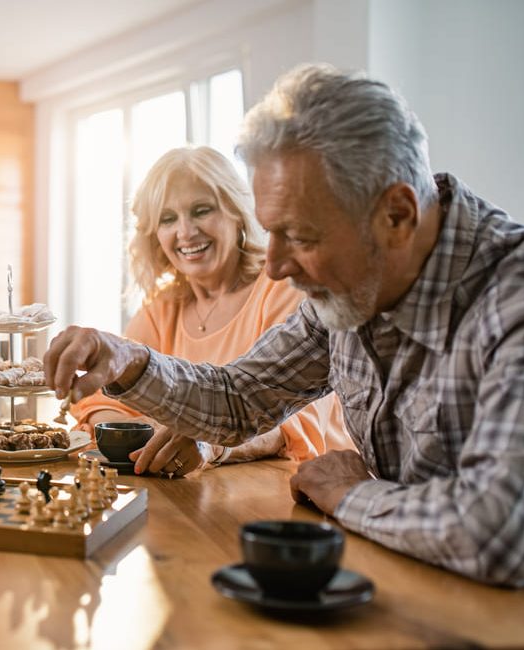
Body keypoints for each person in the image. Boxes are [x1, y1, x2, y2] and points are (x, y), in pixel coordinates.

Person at [44, 63, 524, 588]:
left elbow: (498, 534)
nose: (274, 267)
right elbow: (239, 399)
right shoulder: (347, 293)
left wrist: (351, 493)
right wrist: (130, 360)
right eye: (271, 232)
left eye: (300, 236)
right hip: (404, 589)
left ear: (396, 216)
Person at [72, 146, 351, 477]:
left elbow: (293, 419)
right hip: (198, 489)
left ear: (237, 213)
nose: (186, 232)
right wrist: (131, 434)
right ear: (154, 234)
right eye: (168, 218)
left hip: (297, 486)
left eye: (201, 210)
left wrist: (210, 442)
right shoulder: (161, 309)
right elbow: (104, 400)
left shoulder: (284, 288)